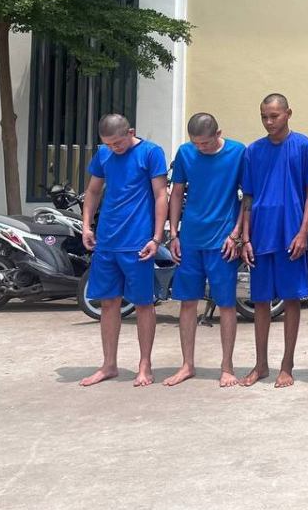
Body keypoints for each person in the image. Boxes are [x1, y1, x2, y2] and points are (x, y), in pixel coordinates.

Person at [79, 114, 168, 387]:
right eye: (108, 144)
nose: (114, 148)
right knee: (108, 303)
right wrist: (86, 226)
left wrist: (156, 238)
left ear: (131, 132)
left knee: (143, 303)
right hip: (107, 241)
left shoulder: (151, 153)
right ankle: (109, 364)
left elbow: (161, 195)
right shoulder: (104, 155)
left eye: (117, 143)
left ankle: (145, 365)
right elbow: (93, 191)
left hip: (137, 242)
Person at [239, 93, 308, 388]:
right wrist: (245, 237)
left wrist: (303, 232)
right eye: (264, 117)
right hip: (260, 234)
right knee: (260, 301)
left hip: (291, 235)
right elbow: (247, 197)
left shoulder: (305, 147)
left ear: (288, 113)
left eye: (274, 116)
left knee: (291, 300)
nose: (269, 122)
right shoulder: (253, 151)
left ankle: (287, 364)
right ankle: (260, 364)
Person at [163, 113, 246, 388]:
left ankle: (227, 366)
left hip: (222, 241)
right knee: (187, 302)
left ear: (218, 134)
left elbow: (247, 197)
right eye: (196, 143)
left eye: (206, 143)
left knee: (226, 304)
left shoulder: (237, 152)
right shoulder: (185, 153)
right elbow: (176, 193)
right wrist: (174, 233)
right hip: (190, 239)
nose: (201, 148)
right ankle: (187, 364)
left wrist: (236, 234)